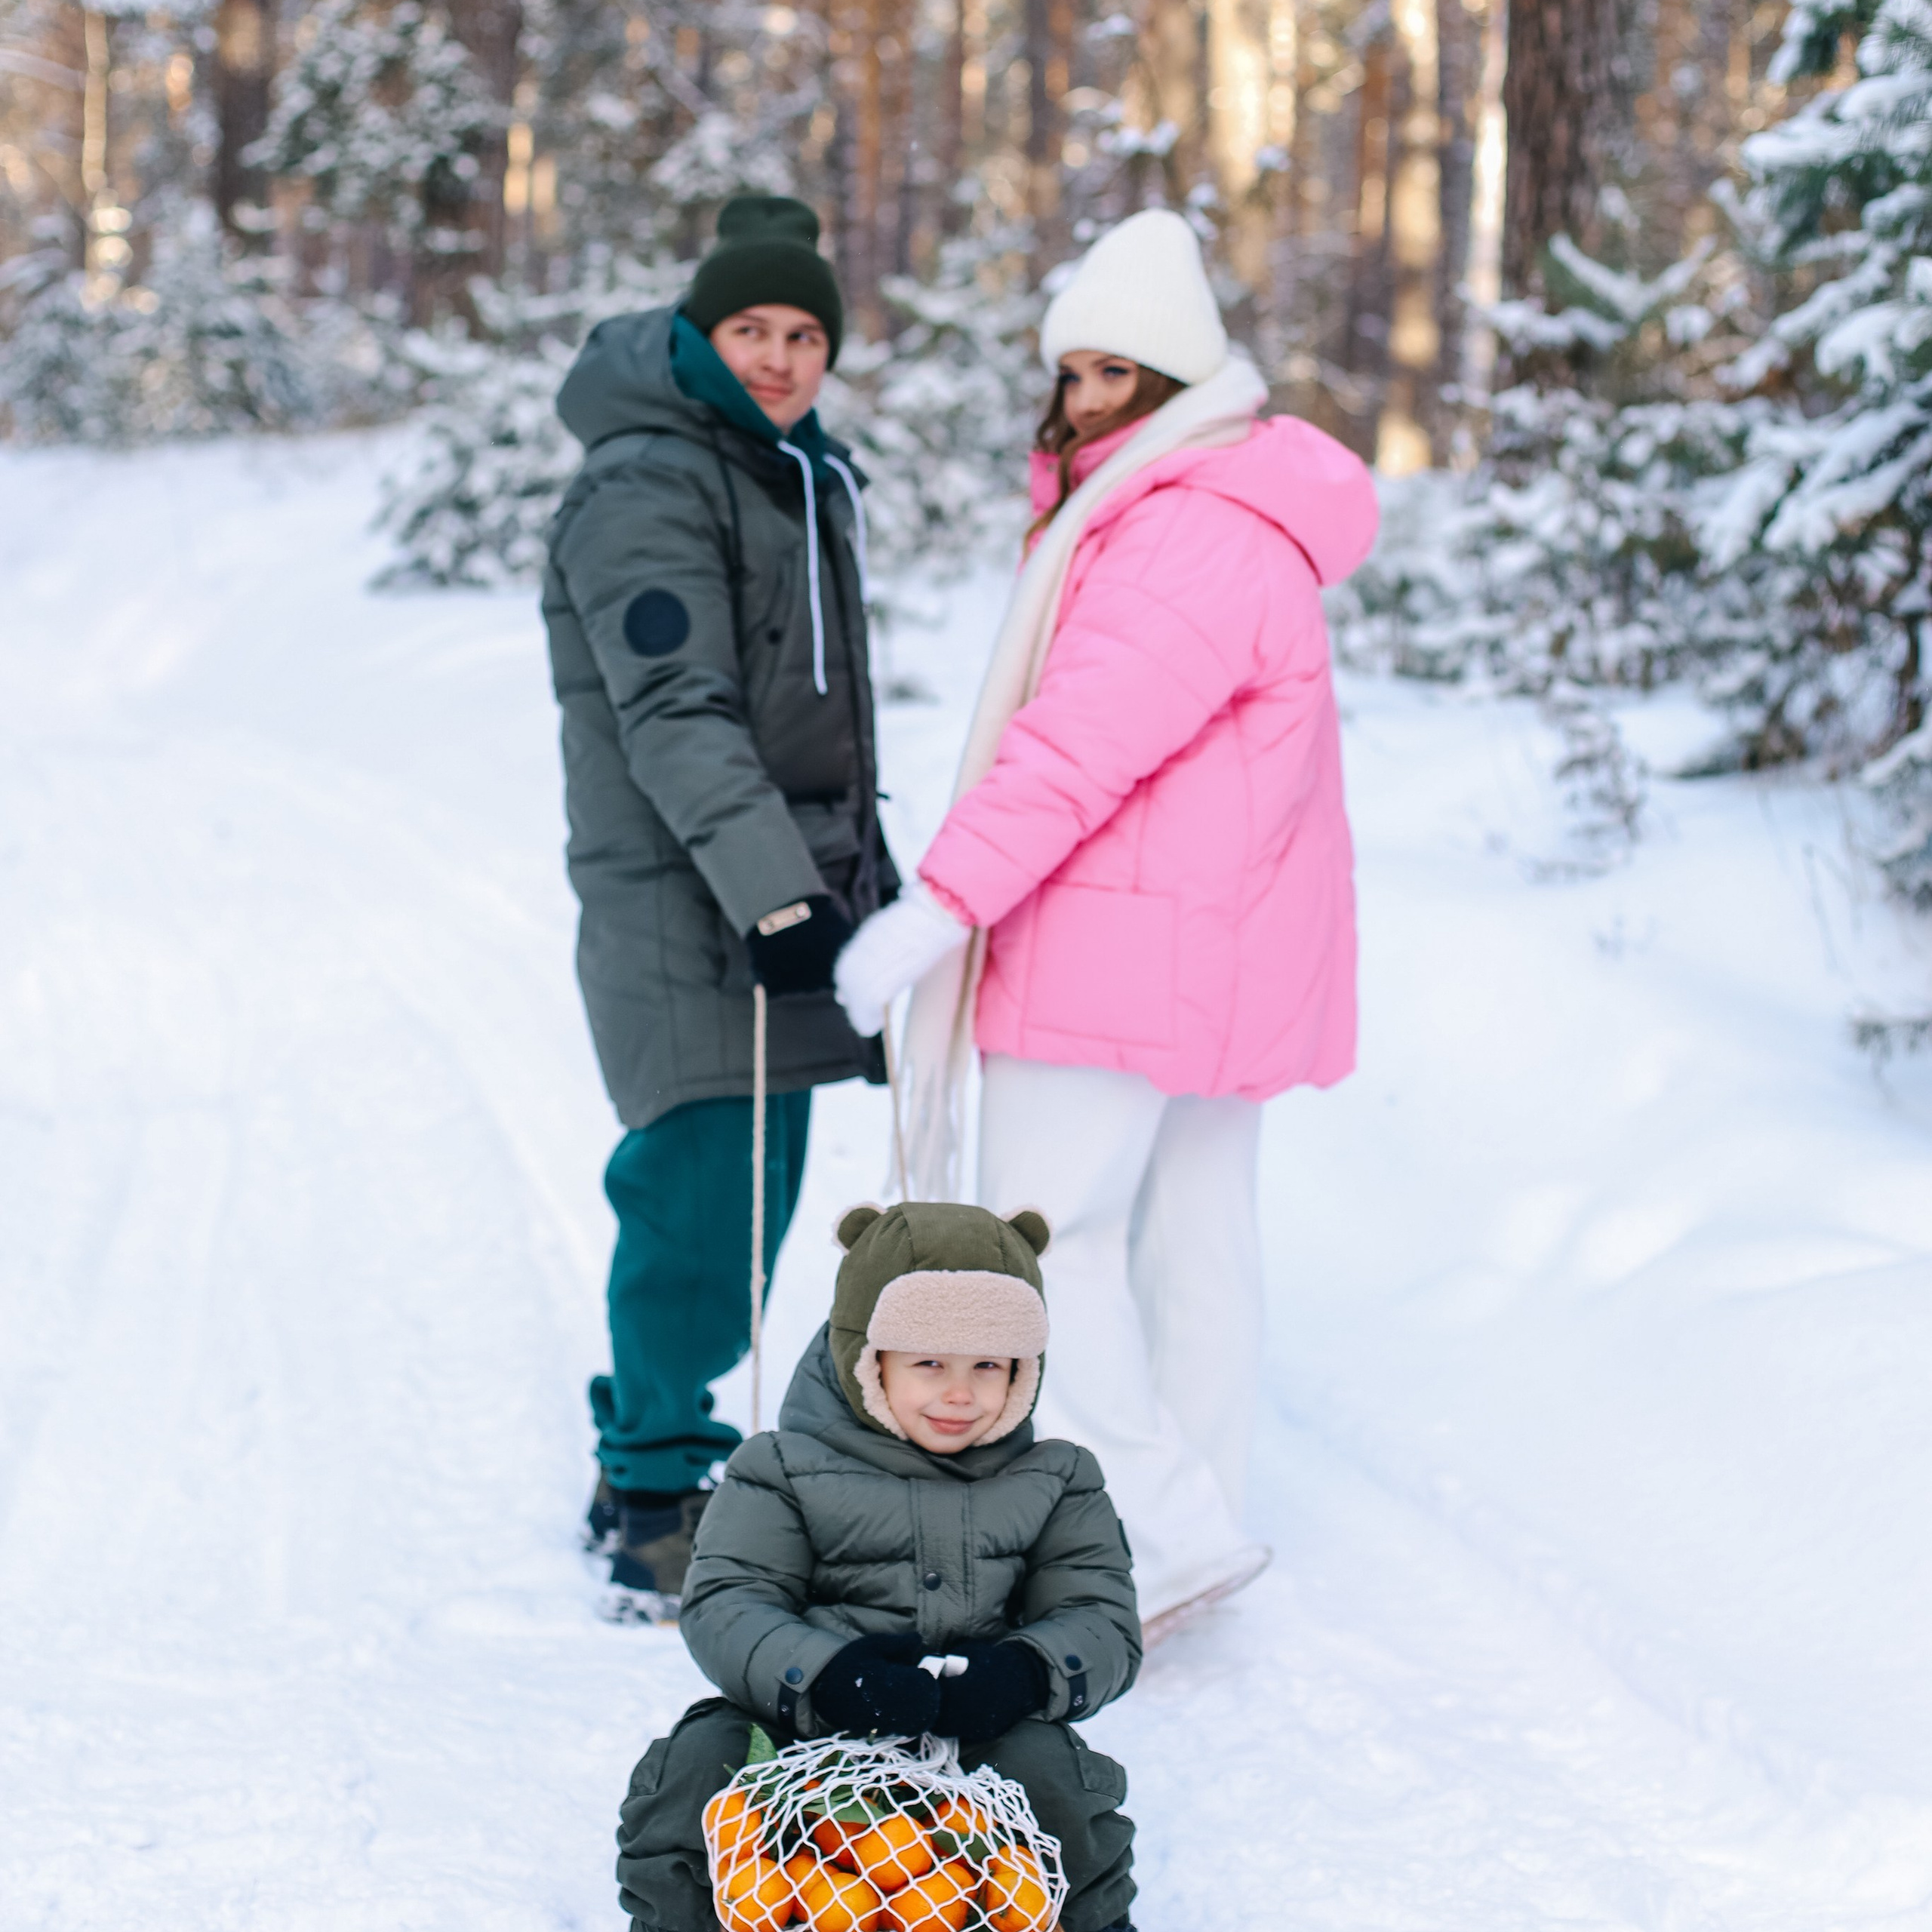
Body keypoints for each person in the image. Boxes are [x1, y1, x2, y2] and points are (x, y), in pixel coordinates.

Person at [833, 208, 1379, 1642]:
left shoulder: (1181, 529)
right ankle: (1189, 1525)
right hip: (1212, 952)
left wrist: (939, 905)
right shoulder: (1229, 507)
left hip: (1123, 953)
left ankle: (1162, 1528)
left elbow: (1072, 749)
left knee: (1036, 1244)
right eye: (1069, 372)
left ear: (1176, 382)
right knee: (1192, 1238)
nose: (1080, 403)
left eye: (1110, 376)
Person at [543, 194, 897, 1620]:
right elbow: (677, 711)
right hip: (694, 897)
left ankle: (651, 1448)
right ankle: (650, 1499)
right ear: (697, 334)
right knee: (696, 1199)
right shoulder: (650, 480)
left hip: (770, 890)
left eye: (804, 332)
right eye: (750, 328)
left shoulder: (781, 470)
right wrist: (775, 897)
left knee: (753, 1200)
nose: (779, 356)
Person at [612, 1201, 1139, 1932]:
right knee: (697, 1770)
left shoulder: (1057, 1479)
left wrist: (1025, 1671)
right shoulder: (779, 1467)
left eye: (988, 1365)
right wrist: (824, 1673)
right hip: (804, 1715)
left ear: (1025, 1368)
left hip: (975, 1723)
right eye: (929, 1362)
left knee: (1056, 1783)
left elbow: (1101, 1614)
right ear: (865, 1357)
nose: (960, 1393)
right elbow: (728, 1601)